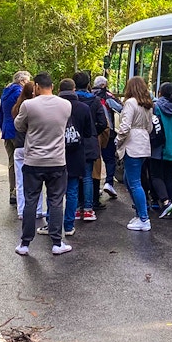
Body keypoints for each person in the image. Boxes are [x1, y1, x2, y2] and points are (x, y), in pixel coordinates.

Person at [14, 72, 72, 256]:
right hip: (57, 161)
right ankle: (56, 242)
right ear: (52, 86)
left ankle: (25, 243)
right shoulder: (65, 105)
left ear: (36, 86)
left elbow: (18, 126)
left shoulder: (28, 105)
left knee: (31, 200)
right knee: (55, 201)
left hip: (34, 161)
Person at [115, 76, 153, 231]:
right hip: (144, 144)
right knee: (128, 178)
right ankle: (140, 214)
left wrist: (117, 141)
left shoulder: (130, 103)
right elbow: (150, 127)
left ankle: (144, 218)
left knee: (134, 182)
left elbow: (124, 127)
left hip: (132, 145)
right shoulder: (148, 105)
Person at [57, 78, 92, 236]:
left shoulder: (54, 106)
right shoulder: (83, 108)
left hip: (56, 153)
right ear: (73, 90)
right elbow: (88, 132)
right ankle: (69, 226)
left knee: (54, 192)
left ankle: (52, 223)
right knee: (72, 191)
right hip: (76, 154)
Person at [72, 71, 108, 221]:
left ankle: (74, 208)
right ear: (88, 84)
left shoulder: (69, 101)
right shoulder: (95, 101)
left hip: (72, 140)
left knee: (74, 176)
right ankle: (87, 209)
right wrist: (93, 133)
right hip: (90, 142)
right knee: (87, 175)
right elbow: (103, 123)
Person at [150, 82, 172, 218]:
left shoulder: (156, 107)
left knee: (156, 175)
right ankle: (168, 205)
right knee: (169, 177)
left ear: (160, 93)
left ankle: (164, 202)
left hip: (159, 147)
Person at [11, 82, 44, 221]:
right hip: (34, 147)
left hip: (19, 146)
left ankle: (21, 210)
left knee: (20, 180)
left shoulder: (17, 107)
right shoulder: (37, 108)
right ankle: (38, 209)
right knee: (38, 180)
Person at [0, 71, 31, 205]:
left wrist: (3, 128)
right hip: (18, 132)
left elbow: (1, 113)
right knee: (22, 162)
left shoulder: (5, 92)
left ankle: (13, 191)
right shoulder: (20, 93)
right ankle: (20, 192)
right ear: (23, 81)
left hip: (7, 130)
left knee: (12, 163)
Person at [92, 75, 123, 199]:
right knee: (109, 159)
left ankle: (94, 188)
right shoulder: (108, 96)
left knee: (94, 161)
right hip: (106, 132)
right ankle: (109, 183)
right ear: (104, 85)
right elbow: (120, 108)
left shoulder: (89, 95)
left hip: (92, 133)